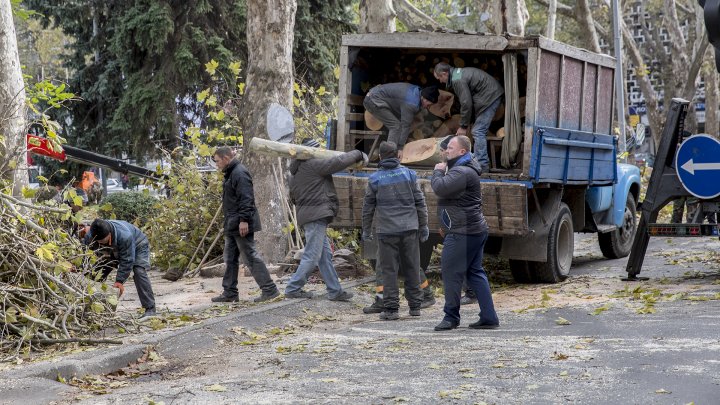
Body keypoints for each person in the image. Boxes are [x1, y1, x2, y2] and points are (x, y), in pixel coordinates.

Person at [430, 135, 499, 331]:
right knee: (474, 272)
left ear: (462, 152)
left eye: (450, 148)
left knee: (452, 272)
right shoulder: (463, 170)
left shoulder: (462, 171)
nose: (446, 150)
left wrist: (437, 172)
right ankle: (489, 316)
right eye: (446, 148)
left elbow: (440, 188)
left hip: (463, 232)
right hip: (471, 229)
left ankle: (451, 317)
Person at [285, 138, 367, 301]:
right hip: (316, 216)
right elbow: (337, 162)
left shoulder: (294, 173)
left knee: (324, 256)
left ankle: (335, 291)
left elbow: (293, 197)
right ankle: (293, 288)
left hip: (310, 216)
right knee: (312, 255)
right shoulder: (312, 165)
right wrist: (358, 153)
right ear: (310, 152)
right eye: (318, 150)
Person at [361, 141, 429, 320]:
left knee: (389, 270)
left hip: (387, 231)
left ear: (381, 157)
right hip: (409, 228)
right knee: (412, 266)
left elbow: (368, 208)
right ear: (398, 156)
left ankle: (391, 309)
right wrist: (423, 226)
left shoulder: (375, 179)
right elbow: (420, 202)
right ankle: (415, 306)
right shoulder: (409, 174)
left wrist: (366, 230)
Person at [212, 147, 280, 303]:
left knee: (250, 256)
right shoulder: (231, 173)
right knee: (230, 258)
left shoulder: (239, 173)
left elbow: (246, 199)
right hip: (232, 224)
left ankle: (269, 290)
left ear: (226, 158)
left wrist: (244, 221)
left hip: (241, 224)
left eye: (217, 161)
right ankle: (230, 293)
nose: (216, 164)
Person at [433, 62, 504, 172]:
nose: (440, 81)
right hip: (489, 95)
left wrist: (463, 126)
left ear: (444, 74)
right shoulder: (457, 74)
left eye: (439, 78)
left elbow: (466, 103)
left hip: (490, 96)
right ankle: (477, 162)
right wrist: (468, 122)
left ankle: (482, 166)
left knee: (478, 131)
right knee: (477, 129)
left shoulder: (457, 79)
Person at [81, 218, 157, 319]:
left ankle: (150, 309)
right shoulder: (90, 236)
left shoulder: (125, 236)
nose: (100, 243)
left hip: (138, 245)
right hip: (112, 250)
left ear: (109, 234)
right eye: (98, 241)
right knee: (94, 274)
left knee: (139, 270)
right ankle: (93, 308)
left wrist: (119, 281)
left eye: (102, 241)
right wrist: (77, 267)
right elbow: (84, 256)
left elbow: (127, 260)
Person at [363, 83, 439, 154]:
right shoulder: (411, 103)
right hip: (373, 101)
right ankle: (389, 156)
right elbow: (405, 126)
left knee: (397, 124)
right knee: (395, 126)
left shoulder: (417, 91)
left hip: (375, 96)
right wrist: (400, 148)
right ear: (424, 98)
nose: (429, 107)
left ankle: (390, 151)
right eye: (429, 105)